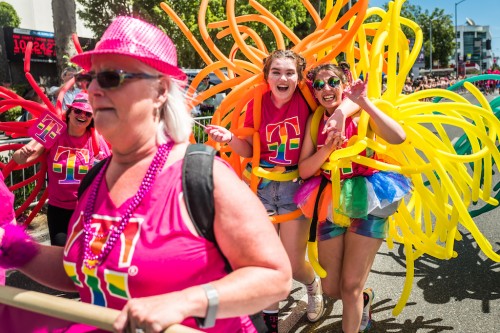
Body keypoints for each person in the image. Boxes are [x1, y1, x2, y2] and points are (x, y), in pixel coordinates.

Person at [1, 16, 292, 332]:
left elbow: (274, 276)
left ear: (160, 90)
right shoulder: (95, 178)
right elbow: (84, 272)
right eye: (90, 78)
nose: (94, 90)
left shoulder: (202, 177)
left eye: (112, 77)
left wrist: (186, 301)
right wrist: (9, 245)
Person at [206, 50, 327, 332]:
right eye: (276, 72)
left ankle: (312, 285)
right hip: (261, 187)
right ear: (267, 76)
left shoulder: (309, 98)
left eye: (289, 72)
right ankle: (270, 320)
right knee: (266, 260)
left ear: (298, 78)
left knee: (294, 264)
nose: (282, 78)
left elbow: (338, 98)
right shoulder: (257, 103)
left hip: (295, 188)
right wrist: (231, 139)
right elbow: (249, 150)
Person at [296, 63, 411, 333]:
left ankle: (357, 304)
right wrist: (327, 148)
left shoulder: (360, 113)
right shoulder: (315, 122)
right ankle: (364, 299)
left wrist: (364, 102)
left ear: (344, 83)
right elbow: (304, 170)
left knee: (350, 287)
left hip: (368, 199)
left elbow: (399, 136)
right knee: (333, 287)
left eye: (333, 82)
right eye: (319, 85)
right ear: (313, 92)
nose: (326, 88)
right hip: (330, 202)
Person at [12, 92, 110, 246]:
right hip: (58, 209)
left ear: (92, 118)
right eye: (78, 111)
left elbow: (109, 169)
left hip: (87, 209)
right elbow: (21, 159)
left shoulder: (96, 139)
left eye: (88, 113)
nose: (82, 115)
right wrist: (22, 154)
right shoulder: (53, 130)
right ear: (70, 113)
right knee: (60, 256)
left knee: (84, 259)